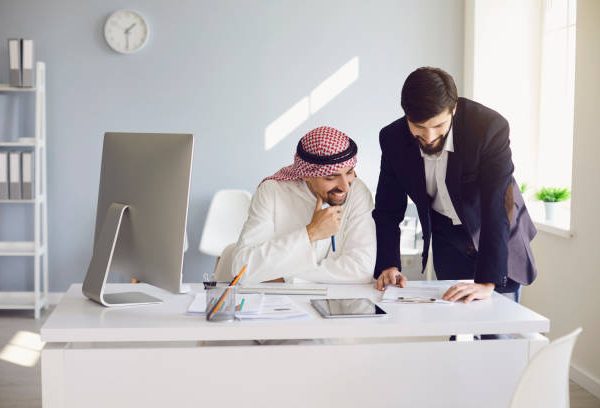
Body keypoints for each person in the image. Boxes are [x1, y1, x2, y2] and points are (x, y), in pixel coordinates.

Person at [372, 67, 537, 302]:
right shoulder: (392, 138)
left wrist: (486, 281)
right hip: (448, 241)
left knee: (498, 331)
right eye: (419, 128)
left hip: (495, 237)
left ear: (454, 109)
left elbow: (497, 205)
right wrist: (388, 264)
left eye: (438, 126)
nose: (428, 137)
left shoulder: (488, 127)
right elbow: (388, 209)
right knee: (456, 325)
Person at [225, 126, 376, 284]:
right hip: (277, 302)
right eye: (331, 177)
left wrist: (284, 276)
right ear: (306, 175)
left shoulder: (357, 191)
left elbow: (361, 270)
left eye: (350, 172)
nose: (345, 187)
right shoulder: (272, 191)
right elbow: (242, 268)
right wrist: (311, 233)